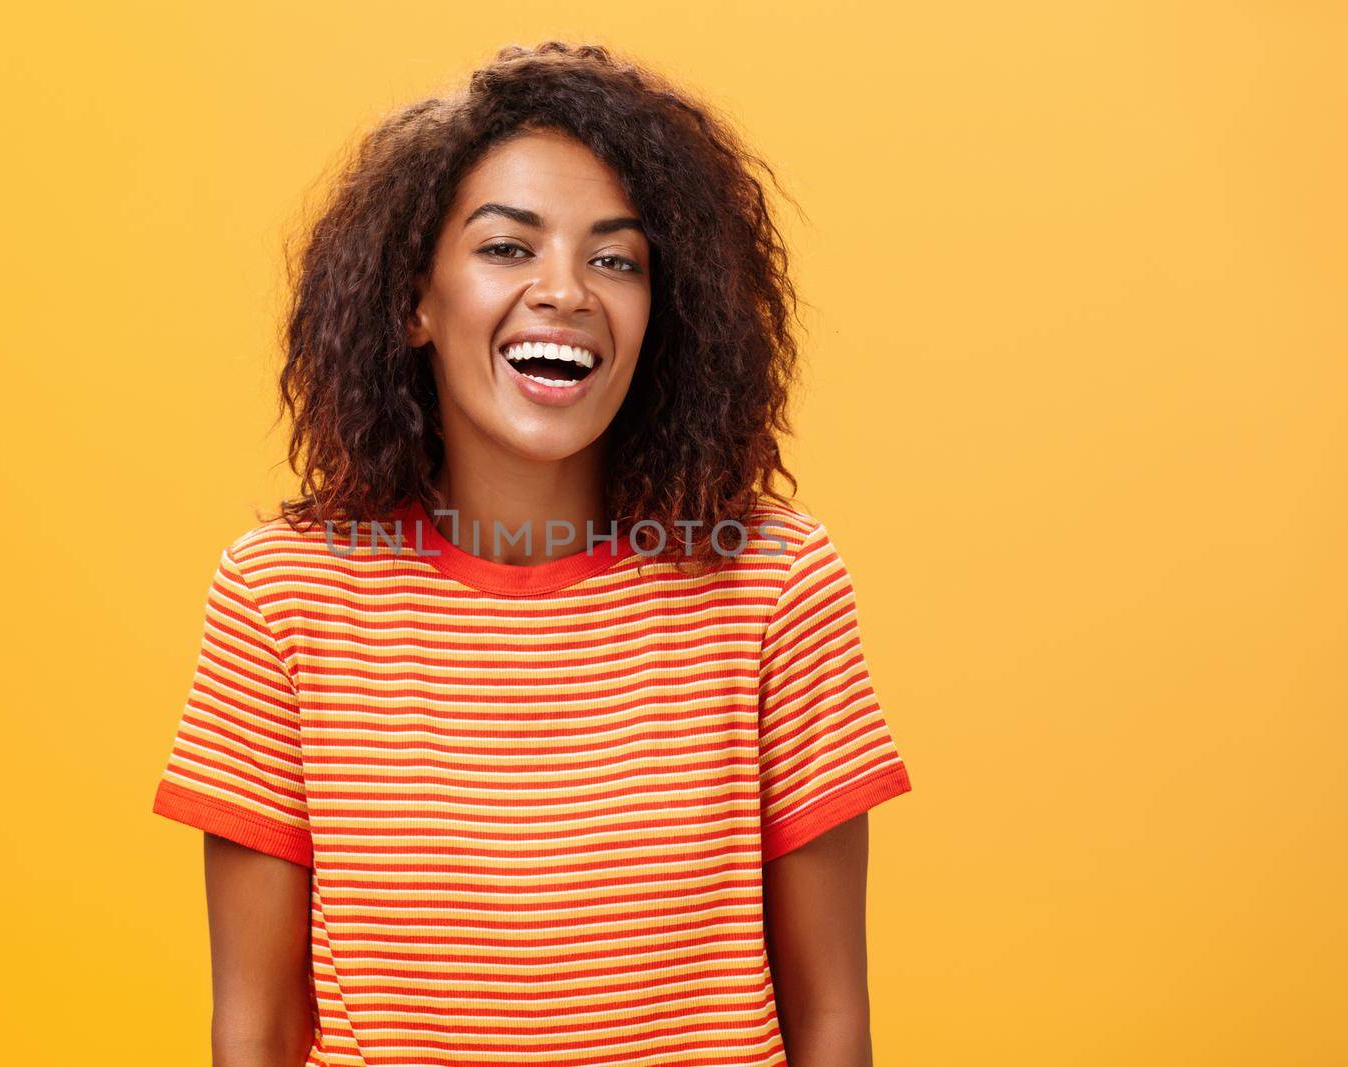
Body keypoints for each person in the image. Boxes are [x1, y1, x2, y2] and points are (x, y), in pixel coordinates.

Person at [152, 41, 911, 1067]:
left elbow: (833, 1024)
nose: (566, 290)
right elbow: (255, 1030)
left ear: (663, 315)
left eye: (616, 259)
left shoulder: (772, 580)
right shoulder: (282, 596)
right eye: (507, 248)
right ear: (414, 302)